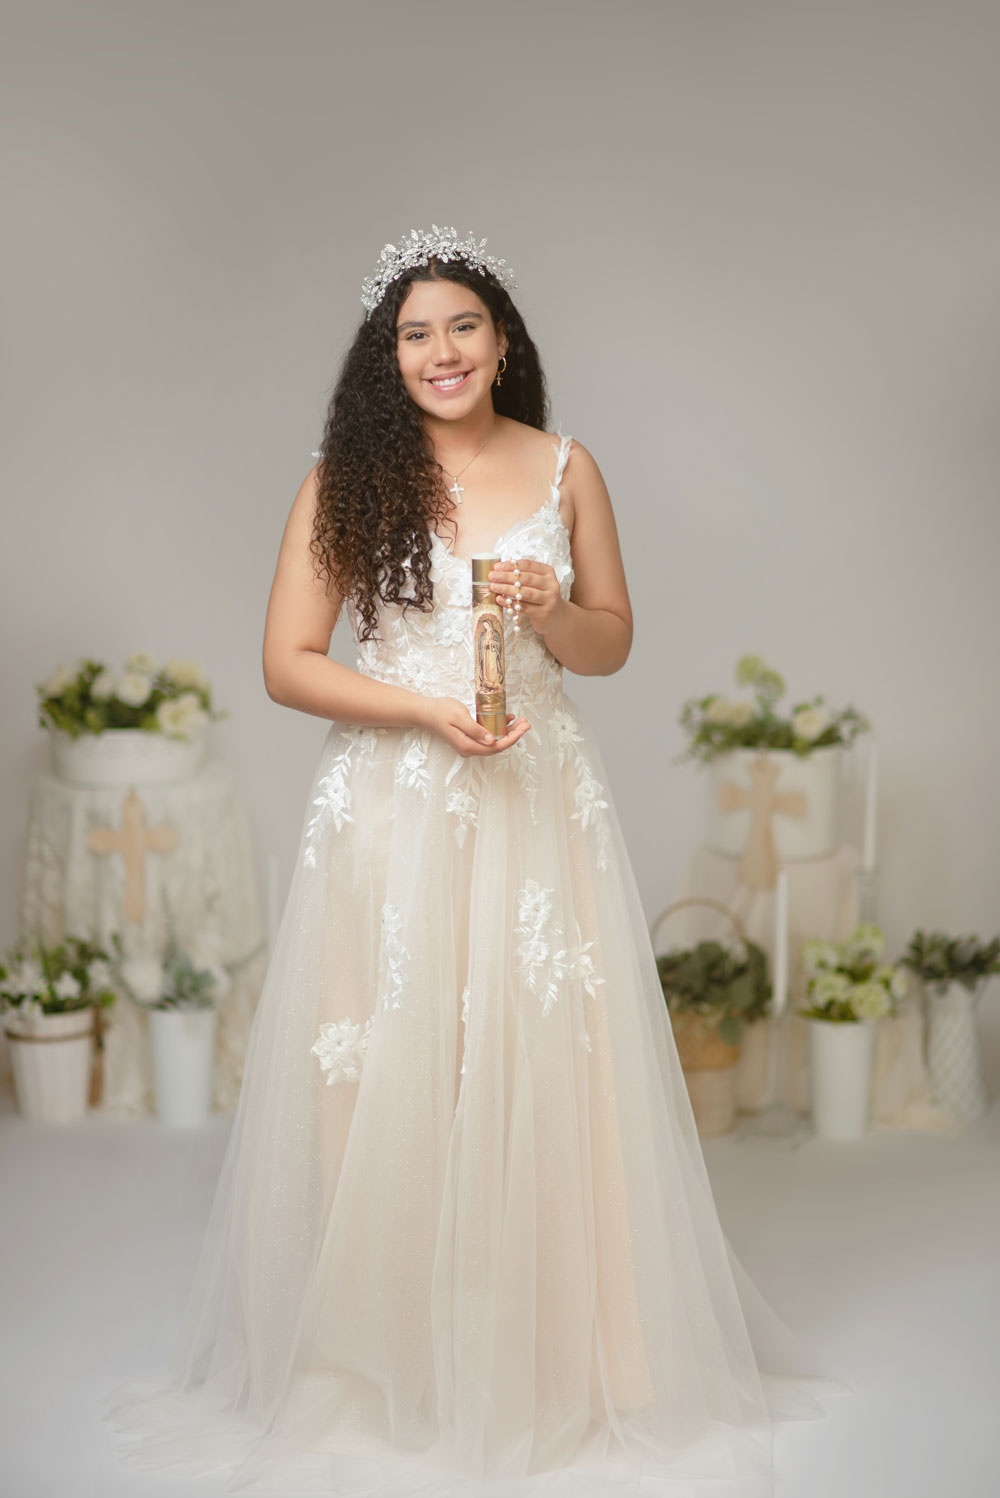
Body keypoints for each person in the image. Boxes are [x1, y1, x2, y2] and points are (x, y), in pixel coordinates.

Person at [103, 227, 841, 1496]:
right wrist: (423, 711)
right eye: (414, 334)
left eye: (462, 326)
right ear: (385, 358)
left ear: (502, 342)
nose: (440, 351)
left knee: (544, 1061)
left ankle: (558, 1356)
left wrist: (550, 609)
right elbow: (287, 663)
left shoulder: (565, 466)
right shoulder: (346, 481)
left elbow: (611, 643)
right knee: (389, 1064)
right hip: (392, 804)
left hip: (538, 800)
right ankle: (386, 1353)